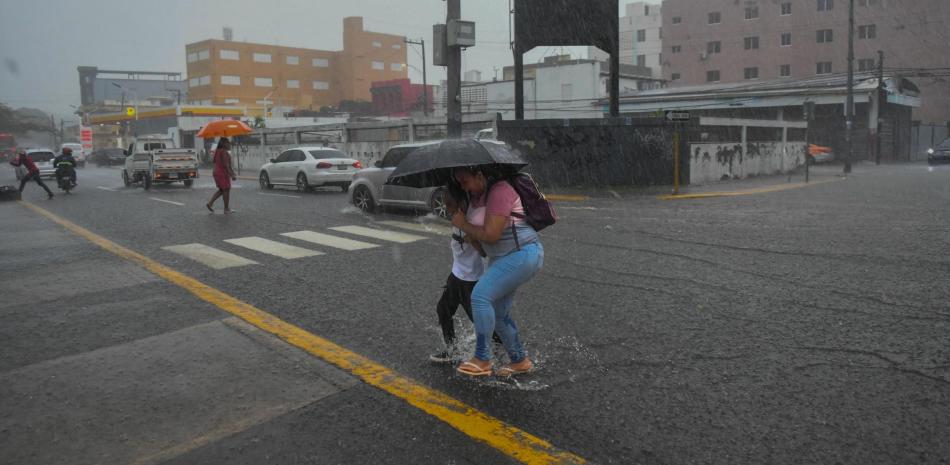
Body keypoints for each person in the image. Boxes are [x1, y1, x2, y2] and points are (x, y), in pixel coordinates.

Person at [450, 167, 544, 377]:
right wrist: (471, 236)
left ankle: (482, 358)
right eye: (459, 183)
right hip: (501, 257)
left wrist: (464, 224)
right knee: (498, 311)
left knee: (480, 296)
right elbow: (485, 246)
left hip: (522, 253)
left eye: (465, 181)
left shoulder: (500, 191)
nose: (463, 187)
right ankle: (519, 360)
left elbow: (492, 235)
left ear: (479, 175)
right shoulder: (478, 197)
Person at [429, 185, 502, 363]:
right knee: (443, 310)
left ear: (462, 202)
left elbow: (486, 251)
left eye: (449, 204)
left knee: (479, 319)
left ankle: (504, 344)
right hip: (456, 275)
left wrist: (472, 238)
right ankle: (452, 350)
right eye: (445, 203)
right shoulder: (458, 217)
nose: (446, 208)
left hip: (471, 280)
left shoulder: (473, 220)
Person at [206, 137, 236, 213]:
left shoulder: (217, 151)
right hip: (222, 173)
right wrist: (231, 174)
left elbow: (215, 161)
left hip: (217, 172)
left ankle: (210, 203)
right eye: (227, 143)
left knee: (222, 190)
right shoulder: (223, 151)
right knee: (226, 189)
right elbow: (226, 165)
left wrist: (231, 172)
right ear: (224, 144)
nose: (229, 144)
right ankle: (226, 209)